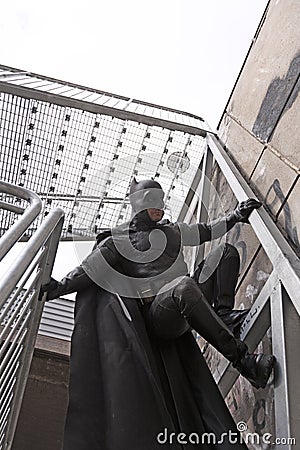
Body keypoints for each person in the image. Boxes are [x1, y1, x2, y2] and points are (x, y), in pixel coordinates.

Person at [43, 178, 274, 450]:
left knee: (223, 253)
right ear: (139, 202)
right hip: (159, 316)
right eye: (154, 201)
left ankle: (221, 315)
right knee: (184, 286)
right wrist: (58, 287)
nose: (161, 207)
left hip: (185, 297)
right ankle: (245, 362)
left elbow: (205, 231)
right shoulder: (119, 240)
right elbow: (90, 269)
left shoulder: (171, 230)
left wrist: (236, 216)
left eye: (162, 201)